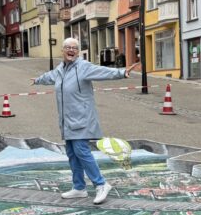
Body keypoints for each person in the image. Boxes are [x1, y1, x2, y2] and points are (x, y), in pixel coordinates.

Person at [32, 38, 139, 205]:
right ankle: (79, 188)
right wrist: (37, 80)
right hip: (67, 121)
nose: (71, 50)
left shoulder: (83, 67)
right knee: (72, 153)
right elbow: (50, 76)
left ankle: (101, 184)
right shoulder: (60, 70)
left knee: (81, 150)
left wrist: (121, 72)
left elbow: (102, 71)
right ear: (63, 50)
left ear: (78, 51)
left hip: (82, 118)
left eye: (75, 48)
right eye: (68, 47)